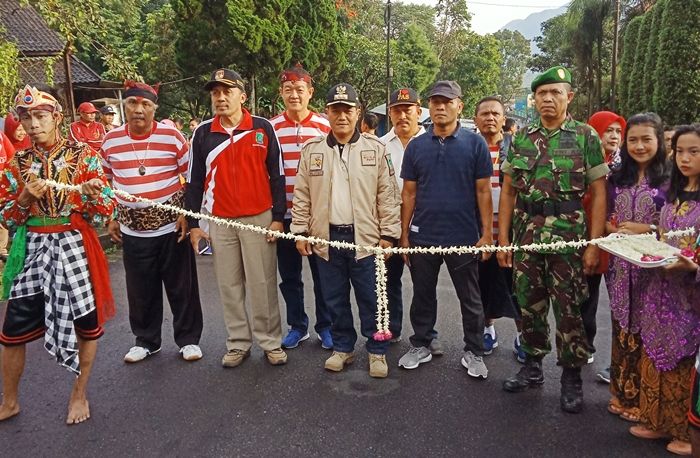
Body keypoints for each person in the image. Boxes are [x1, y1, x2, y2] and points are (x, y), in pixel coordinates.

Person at [0, 85, 116, 424]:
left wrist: (94, 196)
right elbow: (5, 215)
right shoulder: (15, 164)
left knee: (86, 324)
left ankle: (79, 394)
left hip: (74, 247)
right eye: (26, 117)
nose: (33, 124)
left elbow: (106, 208)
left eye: (40, 116)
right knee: (12, 329)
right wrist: (22, 200)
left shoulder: (85, 157)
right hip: (33, 249)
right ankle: (9, 401)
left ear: (57, 118)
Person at [498, 66, 608, 413]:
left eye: (555, 93)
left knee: (569, 308)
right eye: (541, 93)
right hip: (527, 236)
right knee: (529, 305)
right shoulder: (522, 137)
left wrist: (593, 244)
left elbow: (599, 192)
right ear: (534, 98)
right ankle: (532, 366)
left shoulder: (585, 136)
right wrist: (504, 241)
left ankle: (571, 376)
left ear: (569, 96)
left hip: (568, 238)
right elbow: (508, 192)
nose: (547, 99)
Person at [291, 83, 401, 378]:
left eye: (347, 110)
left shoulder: (375, 149)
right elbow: (302, 194)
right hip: (326, 239)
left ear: (357, 113)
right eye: (336, 110)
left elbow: (388, 195)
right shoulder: (312, 151)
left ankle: (377, 352)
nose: (341, 116)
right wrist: (300, 230)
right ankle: (343, 348)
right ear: (326, 112)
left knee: (373, 298)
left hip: (365, 238)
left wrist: (389, 235)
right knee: (334, 297)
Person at [186, 68, 287, 368]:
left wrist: (278, 218)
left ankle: (270, 342)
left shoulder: (262, 128)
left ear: (242, 96)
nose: (220, 97)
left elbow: (278, 176)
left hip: (259, 217)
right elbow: (193, 181)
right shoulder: (203, 133)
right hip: (221, 221)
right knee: (229, 285)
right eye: (215, 92)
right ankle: (238, 344)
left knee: (263, 283)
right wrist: (194, 225)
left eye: (226, 91)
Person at [101, 80, 204, 363]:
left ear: (154, 108)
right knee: (139, 289)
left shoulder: (172, 137)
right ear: (125, 107)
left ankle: (188, 340)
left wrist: (186, 214)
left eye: (145, 104)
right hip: (132, 229)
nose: (138, 110)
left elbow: (190, 178)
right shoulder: (111, 141)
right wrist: (111, 214)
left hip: (172, 226)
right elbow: (107, 181)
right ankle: (146, 341)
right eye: (132, 103)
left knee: (181, 286)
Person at [397, 80, 492, 380]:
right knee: (422, 295)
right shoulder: (416, 145)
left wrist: (487, 234)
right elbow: (409, 194)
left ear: (459, 106)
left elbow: (483, 192)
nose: (440, 106)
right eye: (435, 101)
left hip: (463, 236)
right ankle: (421, 344)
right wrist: (404, 235)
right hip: (422, 234)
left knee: (471, 299)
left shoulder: (475, 144)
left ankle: (474, 350)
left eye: (447, 101)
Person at [628, 123, 700, 456]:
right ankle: (657, 421)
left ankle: (687, 432)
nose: (685, 158)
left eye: (694, 152)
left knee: (684, 357)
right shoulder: (674, 191)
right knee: (655, 350)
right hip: (660, 289)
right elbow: (666, 234)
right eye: (680, 151)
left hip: (690, 298)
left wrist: (693, 266)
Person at [605, 112, 668, 423]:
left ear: (659, 141)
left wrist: (645, 230)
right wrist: (612, 227)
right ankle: (621, 391)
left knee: (648, 330)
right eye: (634, 140)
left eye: (647, 139)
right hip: (619, 266)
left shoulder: (671, 181)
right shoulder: (616, 178)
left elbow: (680, 226)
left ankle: (646, 400)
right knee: (621, 326)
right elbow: (605, 216)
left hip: (654, 270)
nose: (640, 146)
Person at [268, 65, 333, 350]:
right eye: (288, 90)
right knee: (290, 276)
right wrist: (275, 215)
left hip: (319, 217)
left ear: (310, 93)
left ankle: (326, 326)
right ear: (281, 93)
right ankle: (297, 325)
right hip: (284, 216)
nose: (294, 95)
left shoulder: (324, 126)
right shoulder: (270, 128)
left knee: (324, 276)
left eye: (299, 90)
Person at [473, 96, 523, 361]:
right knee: (482, 285)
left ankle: (522, 336)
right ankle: (487, 330)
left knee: (516, 287)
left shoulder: (519, 148)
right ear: (475, 118)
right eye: (485, 114)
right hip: (478, 231)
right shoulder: (468, 147)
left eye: (496, 114)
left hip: (511, 231)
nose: (490, 118)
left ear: (504, 119)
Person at [379, 87, 426, 343]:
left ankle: (425, 334)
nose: (402, 115)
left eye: (407, 110)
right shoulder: (381, 146)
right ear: (390, 113)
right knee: (387, 282)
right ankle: (391, 328)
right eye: (397, 110)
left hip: (422, 224)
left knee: (424, 284)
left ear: (418, 111)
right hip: (389, 224)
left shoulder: (431, 144)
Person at [585, 110, 626, 383]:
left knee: (622, 305)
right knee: (586, 297)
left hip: (619, 242)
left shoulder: (625, 168)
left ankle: (621, 363)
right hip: (586, 237)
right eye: (607, 130)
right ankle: (584, 346)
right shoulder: (583, 162)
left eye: (617, 131)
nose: (613, 136)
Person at [0, 131, 14, 261]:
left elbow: (11, 156)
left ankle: (1, 251)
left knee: (1, 218)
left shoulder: (0, 135)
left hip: (2, 183)